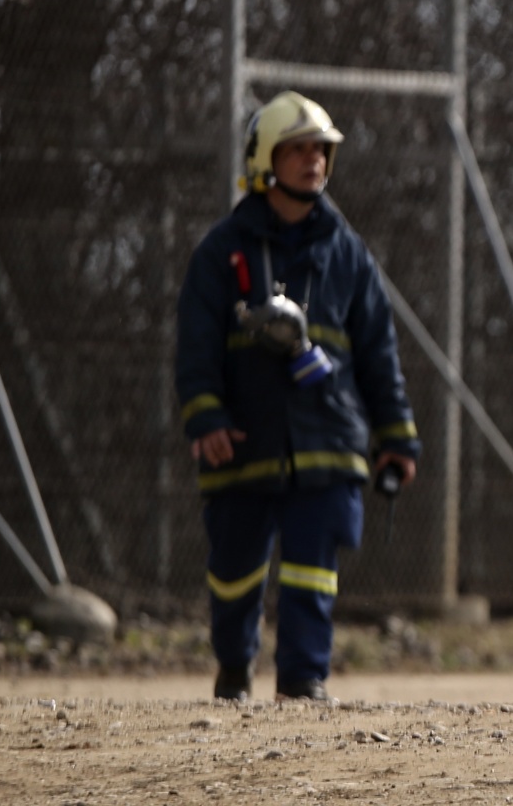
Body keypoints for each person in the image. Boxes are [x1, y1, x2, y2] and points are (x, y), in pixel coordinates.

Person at [175, 91, 421, 702]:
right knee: (235, 574)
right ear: (265, 160)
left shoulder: (349, 254)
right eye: (299, 149)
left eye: (322, 150)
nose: (314, 161)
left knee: (314, 573)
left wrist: (396, 436)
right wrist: (205, 415)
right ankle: (234, 669)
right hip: (244, 440)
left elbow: (378, 354)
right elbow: (196, 347)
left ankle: (303, 684)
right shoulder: (220, 252)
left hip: (328, 439)